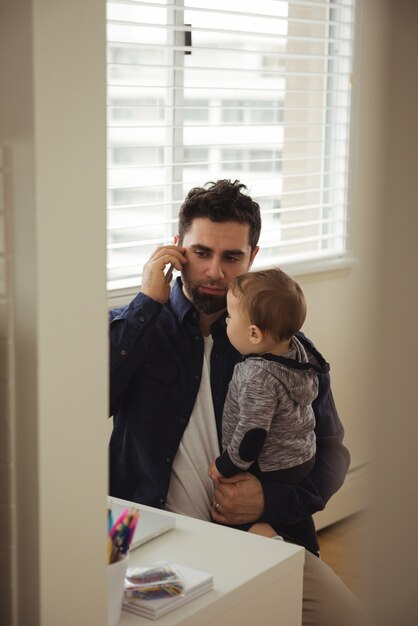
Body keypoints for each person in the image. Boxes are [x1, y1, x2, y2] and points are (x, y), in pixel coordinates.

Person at [109, 179, 363, 625]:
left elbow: (333, 454)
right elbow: (91, 399)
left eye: (232, 257)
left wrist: (269, 501)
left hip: (261, 537)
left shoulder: (288, 351)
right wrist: (146, 303)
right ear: (176, 248)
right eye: (201, 253)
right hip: (151, 539)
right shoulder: (136, 327)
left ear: (253, 259)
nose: (214, 272)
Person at [208, 268, 321, 496]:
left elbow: (252, 433)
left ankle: (265, 531)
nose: (226, 320)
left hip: (271, 466)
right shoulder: (298, 353)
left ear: (254, 335)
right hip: (302, 455)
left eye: (229, 316)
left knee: (234, 506)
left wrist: (226, 465)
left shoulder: (257, 377)